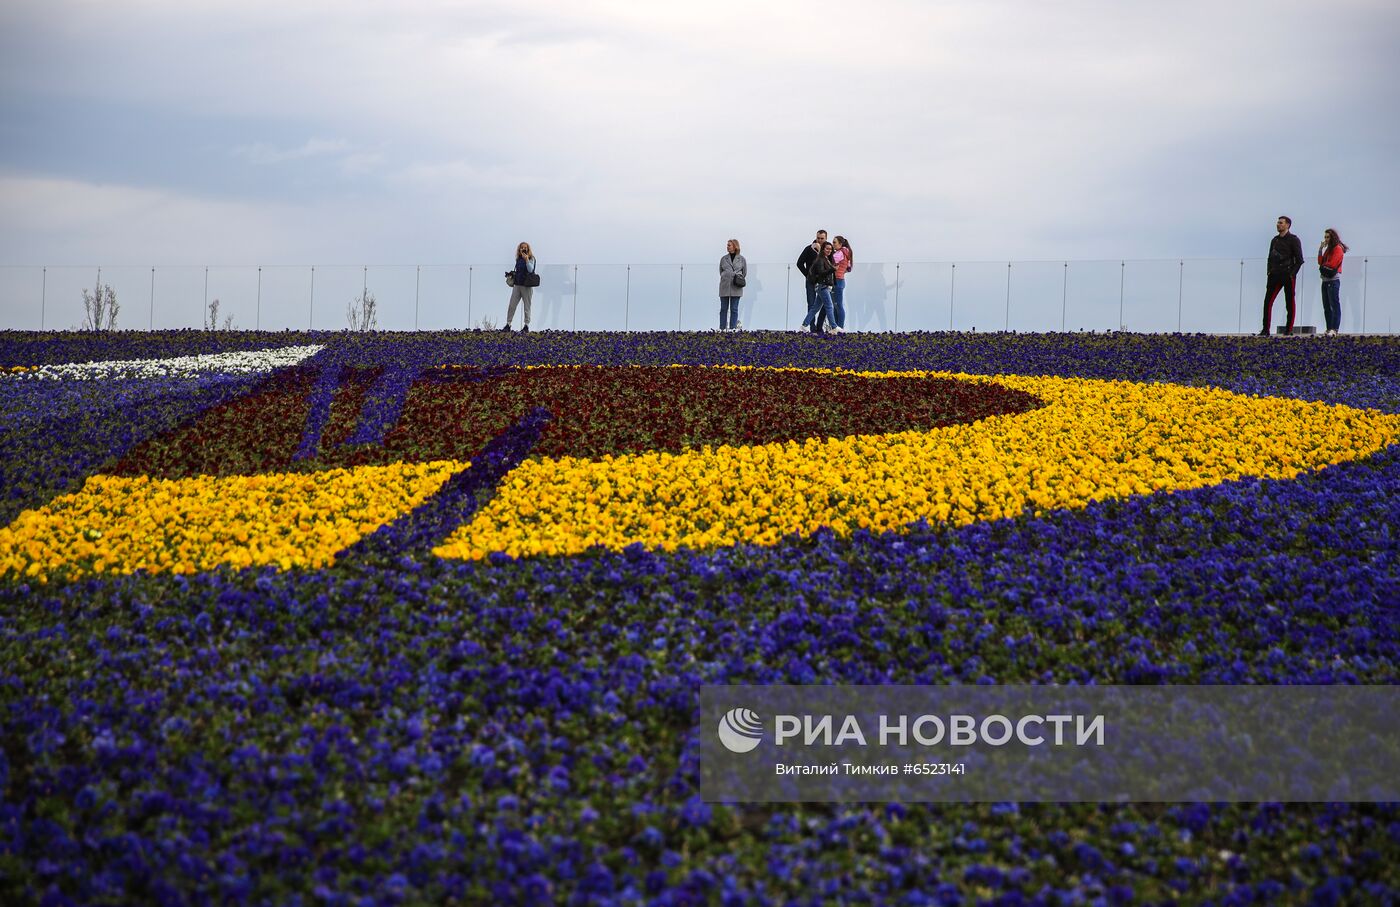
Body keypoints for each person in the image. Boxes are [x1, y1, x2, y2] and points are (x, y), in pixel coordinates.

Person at [1260, 216, 1304, 336]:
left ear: (1287, 225)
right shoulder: (1274, 240)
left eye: (1281, 223)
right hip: (1274, 275)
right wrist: (1269, 272)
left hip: (1287, 275)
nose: (1278, 225)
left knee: (1289, 302)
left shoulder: (1294, 240)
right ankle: (1265, 329)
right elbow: (1269, 257)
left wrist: (1292, 274)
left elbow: (1300, 260)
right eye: (1278, 223)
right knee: (1267, 301)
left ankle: (1288, 329)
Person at [800, 242, 836, 333]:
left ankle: (804, 325)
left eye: (830, 249)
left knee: (815, 308)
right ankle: (834, 327)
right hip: (822, 286)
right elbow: (821, 273)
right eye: (827, 249)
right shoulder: (820, 259)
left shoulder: (826, 259)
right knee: (829, 306)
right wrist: (832, 269)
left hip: (825, 286)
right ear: (823, 249)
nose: (829, 251)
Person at [795, 229, 827, 330]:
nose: (820, 240)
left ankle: (820, 326)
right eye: (818, 238)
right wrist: (807, 275)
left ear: (826, 238)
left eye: (822, 238)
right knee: (811, 303)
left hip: (824, 281)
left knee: (826, 304)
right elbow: (799, 263)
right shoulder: (809, 249)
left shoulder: (828, 250)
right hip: (811, 281)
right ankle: (812, 327)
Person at [1318, 228, 1348, 335]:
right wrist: (1320, 249)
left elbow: (1332, 264)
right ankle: (1329, 328)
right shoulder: (1328, 249)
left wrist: (1323, 266)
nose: (1326, 239)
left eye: (1328, 237)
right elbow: (1320, 261)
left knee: (1334, 305)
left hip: (1333, 280)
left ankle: (1334, 329)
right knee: (1326, 306)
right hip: (1325, 280)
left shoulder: (1337, 249)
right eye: (1325, 237)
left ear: (1333, 237)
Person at [503, 242, 538, 332]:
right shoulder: (518, 259)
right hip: (517, 285)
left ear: (528, 249)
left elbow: (531, 270)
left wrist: (526, 260)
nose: (523, 249)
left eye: (525, 248)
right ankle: (508, 324)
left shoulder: (531, 258)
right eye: (521, 248)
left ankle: (526, 325)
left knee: (527, 306)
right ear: (519, 249)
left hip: (527, 286)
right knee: (512, 305)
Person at [718, 239, 747, 331]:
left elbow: (744, 272)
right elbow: (720, 271)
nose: (727, 247)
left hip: (736, 286)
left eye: (729, 245)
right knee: (723, 309)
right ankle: (722, 329)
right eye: (727, 245)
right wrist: (725, 276)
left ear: (735, 246)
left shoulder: (742, 259)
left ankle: (732, 329)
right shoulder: (723, 259)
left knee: (734, 309)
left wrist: (737, 278)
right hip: (724, 286)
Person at [831, 236, 853, 333]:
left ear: (840, 244)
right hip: (841, 280)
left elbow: (830, 263)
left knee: (838, 305)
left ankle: (839, 327)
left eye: (834, 242)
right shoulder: (846, 253)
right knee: (837, 305)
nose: (833, 244)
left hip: (837, 280)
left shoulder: (839, 253)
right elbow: (849, 268)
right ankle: (837, 327)